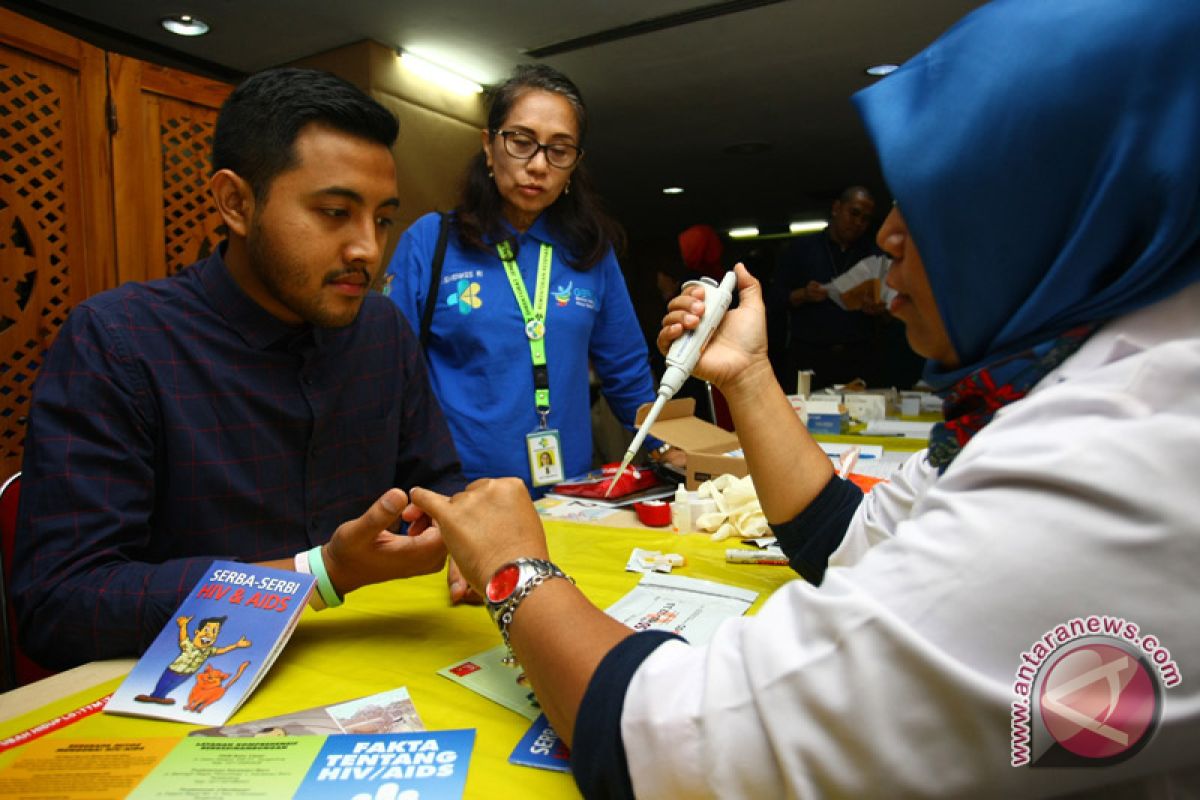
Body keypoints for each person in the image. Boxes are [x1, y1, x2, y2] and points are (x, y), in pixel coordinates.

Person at [403, 1, 1200, 795]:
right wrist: (748, 376)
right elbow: (849, 539)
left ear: (1041, 220)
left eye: (921, 204)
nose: (885, 238)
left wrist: (516, 571)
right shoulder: (1059, 387)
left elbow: (682, 745)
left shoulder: (1120, 457)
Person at [13, 68, 466, 669]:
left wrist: (464, 529)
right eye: (335, 212)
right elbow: (61, 605)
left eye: (382, 218)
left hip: (376, 663)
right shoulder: (120, 341)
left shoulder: (382, 331)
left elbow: (437, 483)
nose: (367, 247)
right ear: (235, 202)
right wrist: (316, 576)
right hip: (188, 692)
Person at [381, 64, 659, 500]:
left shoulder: (590, 253)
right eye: (521, 142)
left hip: (568, 499)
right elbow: (387, 375)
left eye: (559, 150)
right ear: (489, 147)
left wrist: (669, 449)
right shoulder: (431, 241)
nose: (538, 165)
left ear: (574, 165)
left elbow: (626, 372)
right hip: (458, 496)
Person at [770, 185, 888, 391]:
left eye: (865, 219)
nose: (858, 223)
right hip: (810, 356)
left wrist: (880, 308)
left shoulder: (874, 254)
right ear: (836, 208)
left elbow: (893, 310)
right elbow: (774, 300)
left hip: (858, 356)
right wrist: (803, 295)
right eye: (854, 213)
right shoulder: (802, 249)